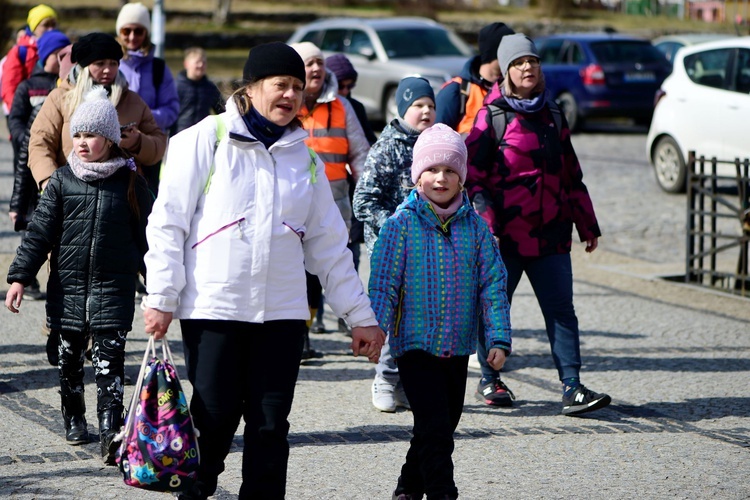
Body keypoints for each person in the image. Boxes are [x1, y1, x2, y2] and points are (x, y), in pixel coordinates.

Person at [140, 42, 385, 499]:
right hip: (216, 310)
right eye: (281, 85)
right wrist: (162, 296)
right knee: (213, 419)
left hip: (283, 316)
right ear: (250, 88)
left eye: (297, 87)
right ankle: (194, 493)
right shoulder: (203, 140)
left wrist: (361, 317)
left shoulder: (306, 159)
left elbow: (330, 248)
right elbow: (167, 223)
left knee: (271, 426)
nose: (292, 95)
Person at [465, 33, 611, 416]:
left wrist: (587, 224)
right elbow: (473, 178)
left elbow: (571, 174)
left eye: (532, 61)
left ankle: (572, 386)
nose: (527, 68)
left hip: (552, 236)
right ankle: (490, 378)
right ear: (506, 71)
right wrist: (488, 224)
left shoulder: (554, 113)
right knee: (494, 308)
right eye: (518, 63)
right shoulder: (492, 116)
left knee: (562, 310)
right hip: (504, 239)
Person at [5, 86, 152, 464]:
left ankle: (110, 430)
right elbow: (39, 233)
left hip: (113, 288)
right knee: (68, 359)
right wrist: (20, 277)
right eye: (78, 135)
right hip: (67, 287)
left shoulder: (131, 183)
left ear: (109, 138)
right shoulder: (62, 182)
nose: (82, 143)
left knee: (109, 363)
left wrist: (158, 285)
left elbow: (151, 239)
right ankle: (74, 415)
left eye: (91, 136)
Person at [368, 123, 512, 500]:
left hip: (458, 344)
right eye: (432, 169)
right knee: (433, 425)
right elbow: (383, 285)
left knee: (443, 424)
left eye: (450, 170)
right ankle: (442, 492)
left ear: (462, 178)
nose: (441, 178)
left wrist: (497, 337)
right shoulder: (400, 226)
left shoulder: (477, 230)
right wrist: (374, 330)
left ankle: (407, 486)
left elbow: (493, 286)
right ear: (418, 176)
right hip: (414, 345)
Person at [352, 76, 436, 413]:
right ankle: (384, 379)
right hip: (391, 251)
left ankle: (408, 384)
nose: (426, 111)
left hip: (430, 252)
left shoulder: (438, 145)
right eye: (418, 105)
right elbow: (364, 201)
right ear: (402, 109)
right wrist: (399, 228)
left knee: (422, 320)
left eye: (430, 105)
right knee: (395, 317)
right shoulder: (387, 147)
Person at [290, 41, 370, 357]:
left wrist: (364, 195)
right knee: (297, 274)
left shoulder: (341, 105)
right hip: (292, 207)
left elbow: (361, 153)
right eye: (309, 63)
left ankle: (349, 323)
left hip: (334, 207)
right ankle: (302, 336)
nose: (316, 69)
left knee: (329, 269)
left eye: (320, 63)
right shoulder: (286, 103)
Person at [28, 32, 166, 193]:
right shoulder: (61, 98)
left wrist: (138, 142)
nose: (108, 70)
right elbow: (40, 143)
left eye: (113, 63)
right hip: (70, 193)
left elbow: (159, 144)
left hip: (121, 196)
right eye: (100, 63)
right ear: (84, 67)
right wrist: (50, 183)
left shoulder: (132, 100)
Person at [6, 29, 70, 307]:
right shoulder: (28, 86)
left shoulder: (68, 86)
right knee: (33, 222)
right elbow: (15, 120)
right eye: (60, 54)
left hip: (57, 167)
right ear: (49, 56)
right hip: (33, 166)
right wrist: (30, 140)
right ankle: (27, 277)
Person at [116, 1, 179, 194]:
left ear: (147, 33)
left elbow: (172, 107)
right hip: (116, 145)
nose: (132, 36)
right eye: (127, 31)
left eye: (138, 31)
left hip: (148, 148)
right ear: (119, 32)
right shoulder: (111, 65)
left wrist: (145, 119)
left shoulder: (159, 68)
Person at [435, 22, 514, 137]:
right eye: (509, 51)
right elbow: (436, 139)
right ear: (496, 53)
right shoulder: (457, 90)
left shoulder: (514, 89)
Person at [1, 4, 59, 118]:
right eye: (45, 25)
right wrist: (17, 115)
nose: (50, 29)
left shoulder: (60, 48)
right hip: (24, 112)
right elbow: (9, 86)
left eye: (53, 24)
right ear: (34, 27)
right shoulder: (20, 51)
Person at [171, 47, 225, 135]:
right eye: (197, 62)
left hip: (203, 136)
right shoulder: (176, 86)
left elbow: (222, 111)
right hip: (180, 135)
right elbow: (170, 114)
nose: (200, 65)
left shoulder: (209, 87)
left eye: (203, 62)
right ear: (186, 64)